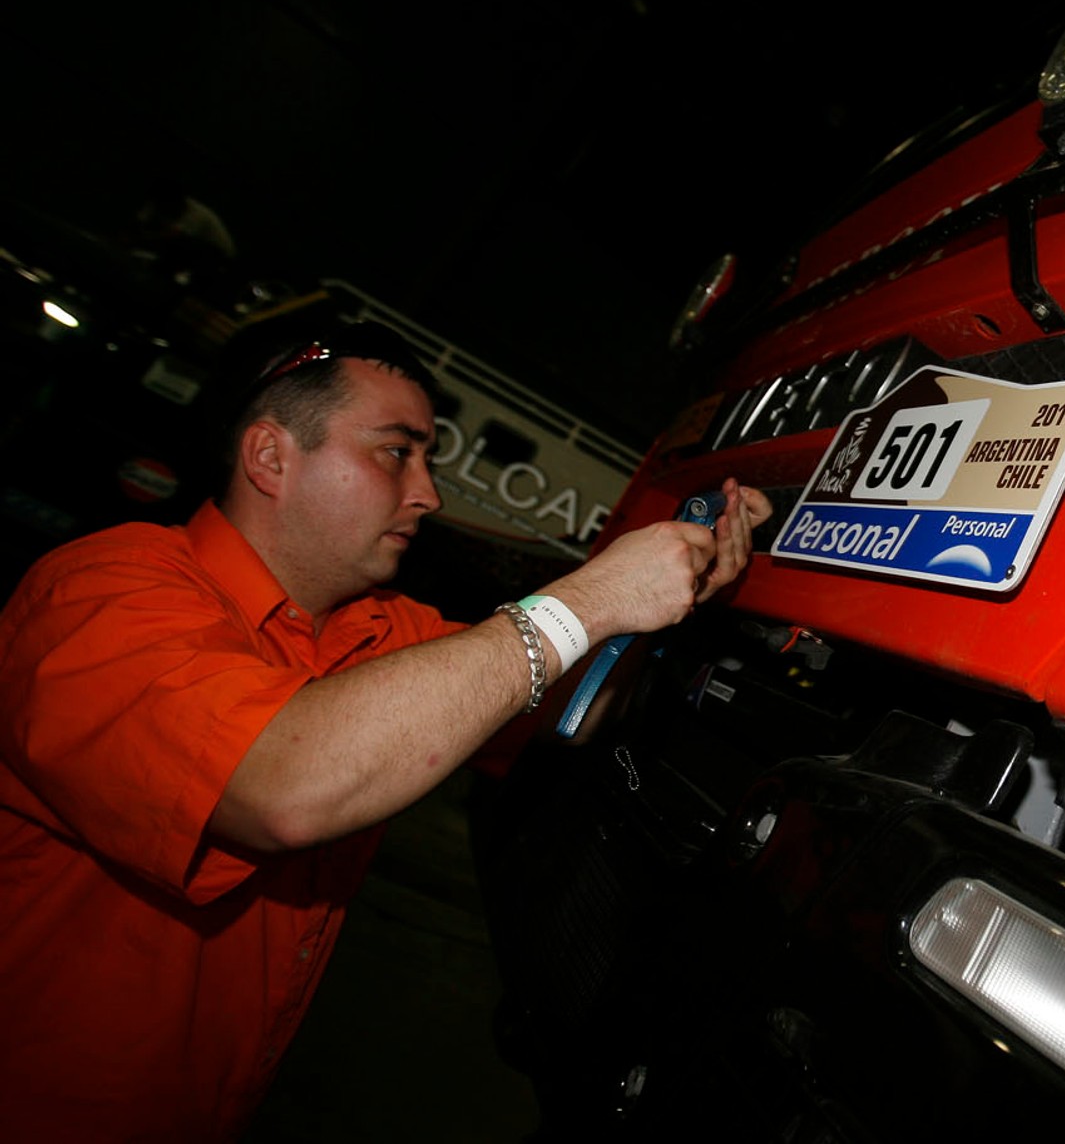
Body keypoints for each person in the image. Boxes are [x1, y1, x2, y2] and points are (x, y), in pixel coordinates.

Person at [0, 321, 771, 1140]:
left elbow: (560, 707)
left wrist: (671, 594)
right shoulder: (99, 594)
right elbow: (280, 785)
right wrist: (588, 601)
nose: (428, 493)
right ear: (270, 457)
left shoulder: (380, 629)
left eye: (427, 458)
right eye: (395, 452)